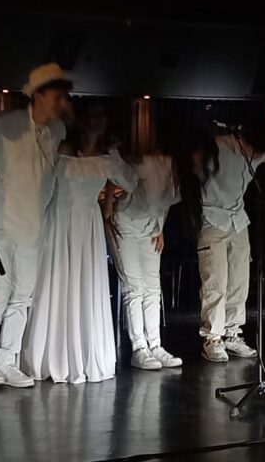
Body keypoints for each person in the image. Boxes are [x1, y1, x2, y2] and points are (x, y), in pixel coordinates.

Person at [24, 102, 135, 383]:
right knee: (56, 283)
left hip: (87, 224)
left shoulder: (107, 157)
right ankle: (52, 354)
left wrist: (110, 194)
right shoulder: (61, 149)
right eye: (92, 115)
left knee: (84, 283)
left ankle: (83, 354)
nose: (97, 121)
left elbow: (132, 182)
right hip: (58, 221)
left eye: (101, 116)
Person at [0, 63, 70, 388]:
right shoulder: (5, 124)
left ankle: (8, 358)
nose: (60, 103)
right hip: (2, 220)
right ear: (39, 95)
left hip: (33, 223)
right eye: (56, 95)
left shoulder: (57, 131)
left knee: (23, 295)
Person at [193, 122, 265, 362]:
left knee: (239, 282)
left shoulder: (257, 153)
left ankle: (232, 333)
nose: (256, 156)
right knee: (215, 281)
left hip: (238, 221)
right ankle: (212, 338)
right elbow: (192, 165)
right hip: (212, 218)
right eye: (255, 150)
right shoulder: (218, 147)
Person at [111, 151, 183, 370]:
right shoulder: (150, 163)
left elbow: (166, 203)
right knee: (134, 287)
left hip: (150, 226)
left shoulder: (183, 177)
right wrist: (108, 210)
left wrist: (160, 228)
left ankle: (155, 345)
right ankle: (139, 348)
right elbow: (116, 178)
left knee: (152, 287)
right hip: (126, 223)